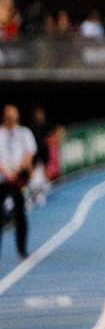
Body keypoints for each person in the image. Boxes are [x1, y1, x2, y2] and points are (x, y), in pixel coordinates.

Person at [0, 104, 36, 258]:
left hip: (19, 180)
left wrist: (18, 171)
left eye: (14, 115)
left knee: (21, 212)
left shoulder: (24, 133)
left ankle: (22, 248)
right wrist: (6, 172)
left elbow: (29, 153)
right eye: (9, 115)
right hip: (2, 179)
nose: (11, 118)